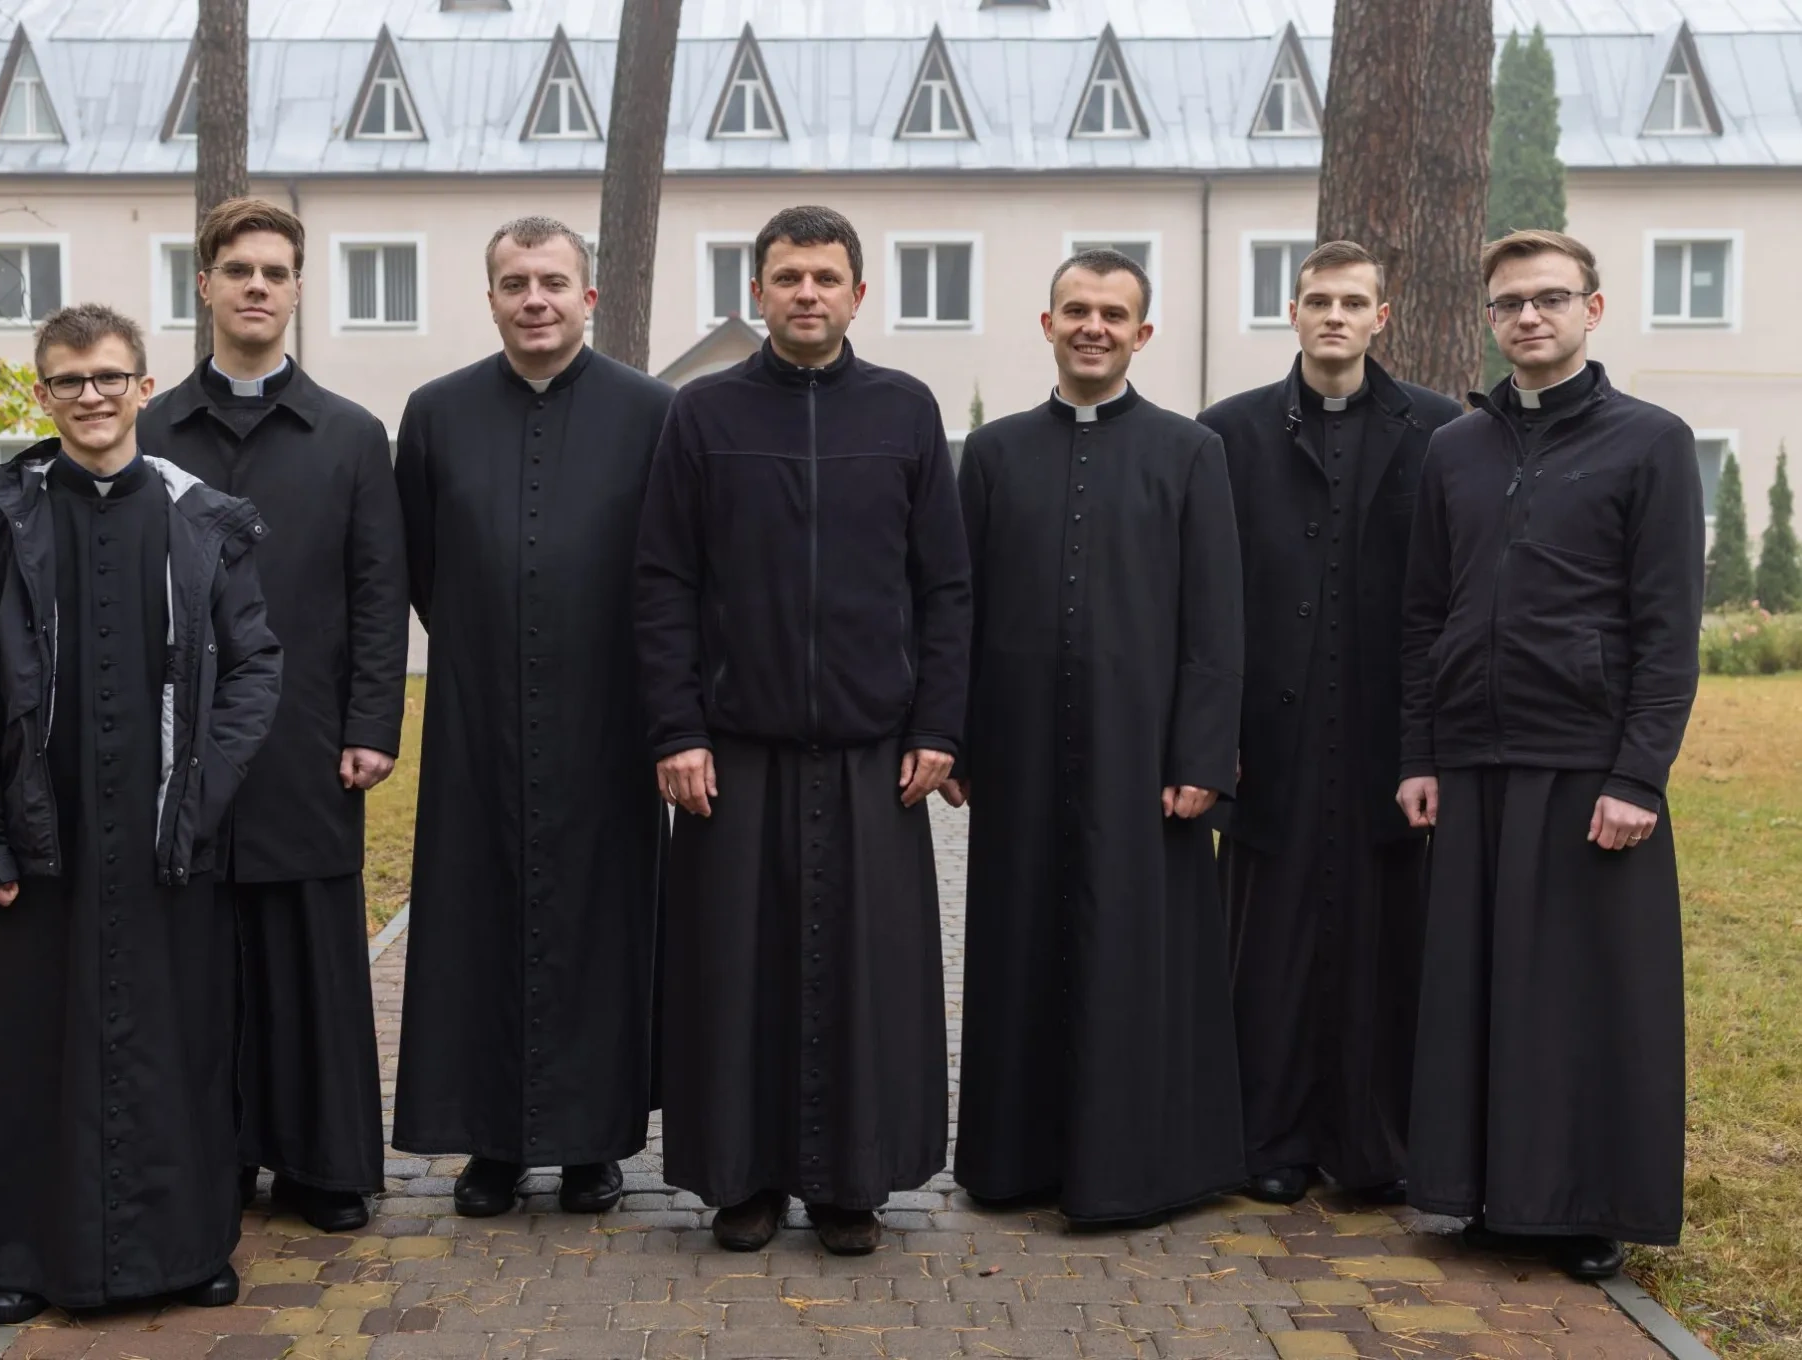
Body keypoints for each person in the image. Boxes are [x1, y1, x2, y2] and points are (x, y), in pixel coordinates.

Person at [0, 304, 281, 1323]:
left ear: (145, 385)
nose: (91, 396)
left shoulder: (205, 517)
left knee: (178, 1042)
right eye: (70, 380)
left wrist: (206, 786)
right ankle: (16, 1252)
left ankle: (187, 1246)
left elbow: (256, 663)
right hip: (47, 833)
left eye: (109, 377)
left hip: (169, 828)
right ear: (40, 393)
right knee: (28, 1045)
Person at [635, 205, 970, 1255]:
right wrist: (675, 727)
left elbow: (946, 587)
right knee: (733, 982)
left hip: (874, 754)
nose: (807, 293)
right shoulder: (701, 416)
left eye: (827, 276)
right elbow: (662, 583)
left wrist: (940, 723)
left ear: (859, 294)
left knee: (867, 983)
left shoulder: (905, 412)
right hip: (735, 751)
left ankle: (849, 1187)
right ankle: (742, 1183)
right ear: (757, 293)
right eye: (787, 277)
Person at [1399, 229, 1701, 1280]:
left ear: (1592, 310)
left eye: (1549, 299)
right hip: (1471, 759)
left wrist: (1636, 775)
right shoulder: (1455, 449)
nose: (1528, 317)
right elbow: (1422, 614)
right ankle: (1484, 1192)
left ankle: (1584, 1206)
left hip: (1586, 766)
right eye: (1509, 303)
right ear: (1489, 317)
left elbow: (1668, 628)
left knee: (1582, 999)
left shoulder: (1649, 442)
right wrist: (1418, 753)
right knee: (1480, 991)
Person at [950, 249, 1245, 1226]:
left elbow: (1215, 618)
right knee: (1018, 950)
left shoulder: (1188, 451)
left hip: (1144, 762)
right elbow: (958, 607)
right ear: (1046, 323)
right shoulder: (990, 454)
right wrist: (951, 735)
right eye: (1075, 309)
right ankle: (1012, 1162)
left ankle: (1136, 1169)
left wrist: (1202, 755)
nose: (1092, 326)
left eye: (1113, 314)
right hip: (1019, 757)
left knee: (1135, 957)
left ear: (1141, 334)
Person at [393, 217, 673, 1218]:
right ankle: (493, 1144)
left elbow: (671, 563)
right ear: (492, 297)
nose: (535, 299)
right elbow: (417, 563)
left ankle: (594, 1141)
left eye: (553, 281)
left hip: (612, 716)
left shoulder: (653, 411)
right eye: (515, 282)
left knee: (605, 920)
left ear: (588, 297)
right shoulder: (434, 413)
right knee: (476, 920)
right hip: (478, 716)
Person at [139, 197, 407, 1233]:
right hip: (176, 737)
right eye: (237, 269)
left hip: (306, 734)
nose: (256, 286)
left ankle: (322, 1163)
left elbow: (379, 591)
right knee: (192, 951)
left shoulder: (348, 435)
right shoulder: (150, 430)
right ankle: (207, 1160)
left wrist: (372, 722)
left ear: (298, 291)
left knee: (308, 949)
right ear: (203, 285)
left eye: (275, 271)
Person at [1196, 241, 1462, 1206]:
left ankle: (1376, 1147)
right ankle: (1268, 1140)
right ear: (1294, 312)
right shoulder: (1226, 433)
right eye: (1319, 300)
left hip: (1394, 731)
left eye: (1354, 301)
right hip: (1271, 736)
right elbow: (1206, 598)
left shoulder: (1441, 431)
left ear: (1382, 317)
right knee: (1267, 943)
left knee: (1389, 936)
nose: (1336, 316)